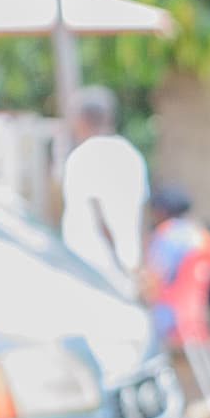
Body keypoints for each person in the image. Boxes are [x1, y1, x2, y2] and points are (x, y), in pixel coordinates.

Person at [57, 85, 148, 295]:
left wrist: (115, 258)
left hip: (89, 268)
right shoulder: (132, 155)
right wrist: (135, 264)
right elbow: (143, 214)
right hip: (126, 267)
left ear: (80, 121)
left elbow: (98, 215)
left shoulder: (82, 157)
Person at [140, 184, 210, 394]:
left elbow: (154, 277)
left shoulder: (168, 235)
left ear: (161, 210)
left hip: (169, 313)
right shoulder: (202, 234)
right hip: (195, 313)